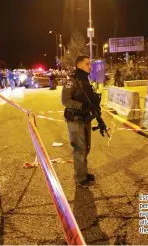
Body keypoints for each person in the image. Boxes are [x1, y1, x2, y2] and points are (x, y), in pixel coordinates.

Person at [61, 55, 103, 188]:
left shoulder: (85, 81)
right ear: (79, 65)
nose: (90, 66)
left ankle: (82, 172)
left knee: (86, 147)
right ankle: (80, 178)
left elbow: (89, 100)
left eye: (90, 64)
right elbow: (65, 100)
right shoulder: (72, 81)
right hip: (75, 120)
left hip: (85, 119)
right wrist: (81, 106)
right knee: (80, 148)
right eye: (87, 64)